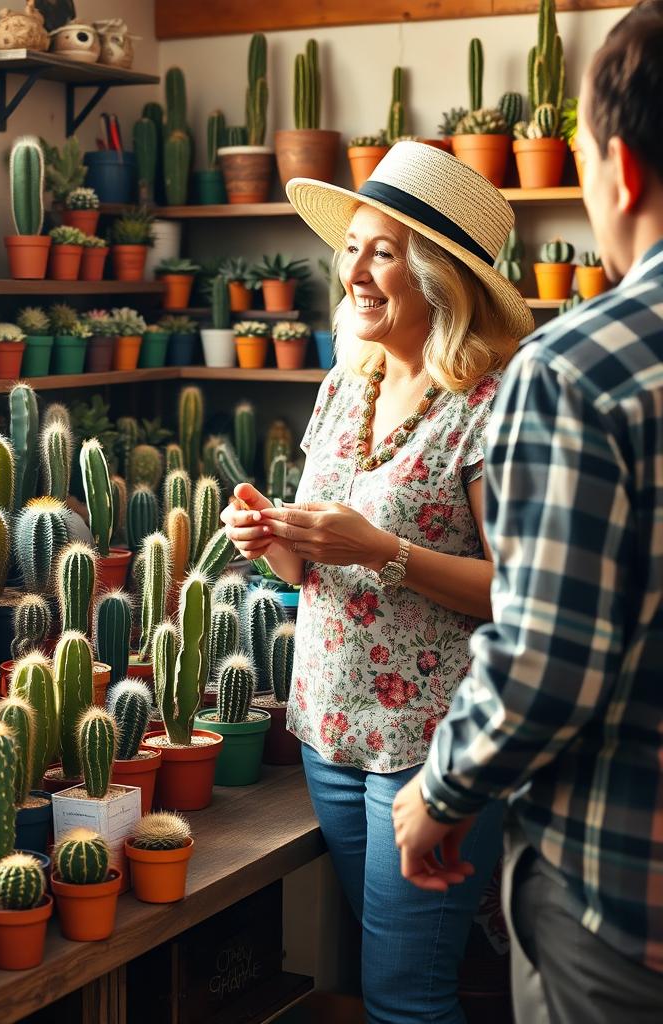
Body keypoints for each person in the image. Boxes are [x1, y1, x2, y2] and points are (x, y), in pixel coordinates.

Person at [390, 4, 663, 1022]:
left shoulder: (580, 370)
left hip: (625, 902)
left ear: (619, 169)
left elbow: (547, 652)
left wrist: (441, 792)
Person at [220, 141, 534, 1022]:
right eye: (351, 245)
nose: (354, 269)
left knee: (406, 994)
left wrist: (382, 551)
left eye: (384, 251)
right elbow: (311, 569)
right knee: (379, 976)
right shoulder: (342, 383)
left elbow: (521, 590)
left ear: (437, 277)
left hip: (432, 745)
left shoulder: (490, 402)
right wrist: (268, 538)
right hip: (327, 724)